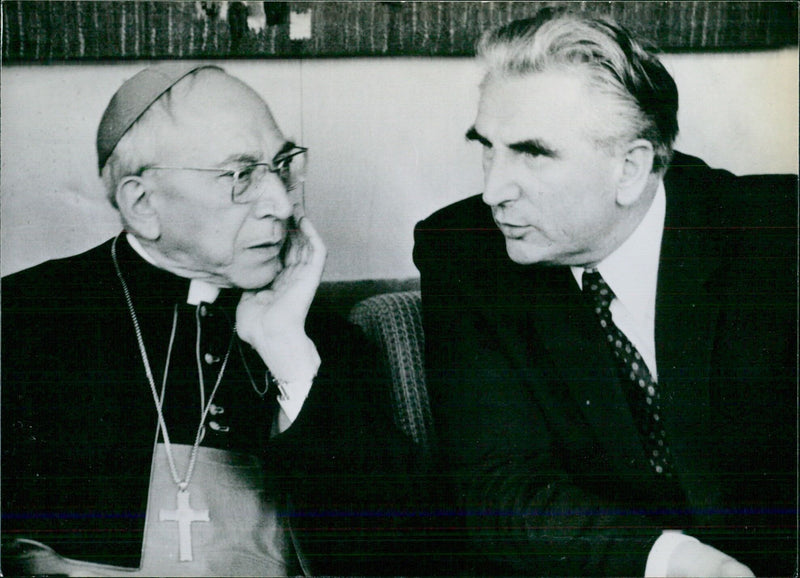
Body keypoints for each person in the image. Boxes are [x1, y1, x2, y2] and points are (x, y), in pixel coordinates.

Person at [414, 9, 797, 577]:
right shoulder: (465, 255)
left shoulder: (776, 235)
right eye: (487, 147)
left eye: (533, 153)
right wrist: (672, 560)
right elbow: (499, 487)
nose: (493, 189)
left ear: (630, 168)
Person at [2, 63, 423, 576]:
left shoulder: (321, 338)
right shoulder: (22, 319)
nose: (281, 204)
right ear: (142, 204)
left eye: (281, 165)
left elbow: (395, 553)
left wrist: (286, 350)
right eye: (240, 175)